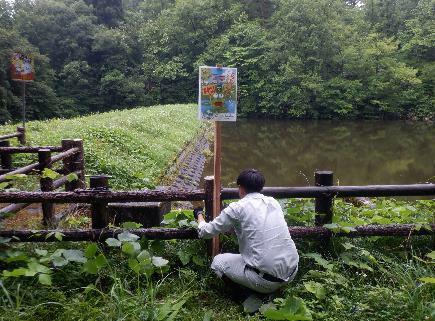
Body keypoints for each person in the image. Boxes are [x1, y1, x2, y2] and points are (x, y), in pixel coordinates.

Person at [193, 169, 299, 300]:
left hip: (266, 281)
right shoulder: (273, 202)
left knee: (217, 262)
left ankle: (247, 296)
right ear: (261, 187)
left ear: (240, 188)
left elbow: (205, 232)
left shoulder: (237, 208)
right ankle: (272, 290)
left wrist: (199, 215)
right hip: (292, 272)